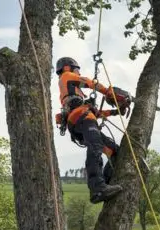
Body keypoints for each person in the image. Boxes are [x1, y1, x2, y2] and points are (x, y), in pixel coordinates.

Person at [55, 57, 130, 204]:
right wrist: (110, 92)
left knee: (115, 152)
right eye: (76, 68)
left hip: (84, 121)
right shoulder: (67, 77)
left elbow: (97, 113)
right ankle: (98, 188)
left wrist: (116, 112)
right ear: (67, 68)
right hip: (81, 119)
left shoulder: (75, 95)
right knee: (95, 146)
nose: (78, 71)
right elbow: (90, 83)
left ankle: (106, 182)